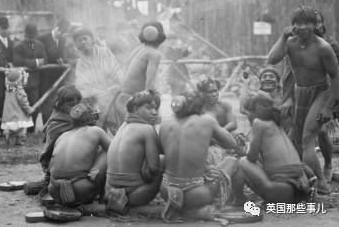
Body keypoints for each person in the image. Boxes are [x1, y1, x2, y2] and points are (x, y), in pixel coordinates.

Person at [267, 6, 339, 193]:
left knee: (308, 138)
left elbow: (336, 77)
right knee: (297, 139)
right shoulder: (290, 43)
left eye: (307, 23)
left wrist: (329, 107)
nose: (302, 27)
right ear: (292, 26)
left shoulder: (324, 48)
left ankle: (322, 180)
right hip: (300, 92)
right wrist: (282, 37)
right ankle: (307, 178)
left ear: (315, 25)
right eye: (298, 23)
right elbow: (272, 59)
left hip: (321, 93)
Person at [159, 91, 244, 222]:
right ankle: (237, 201)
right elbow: (231, 144)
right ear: (200, 106)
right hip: (196, 194)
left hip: (166, 191)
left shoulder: (166, 122)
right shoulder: (207, 120)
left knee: (203, 169)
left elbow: (169, 152)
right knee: (233, 161)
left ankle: (182, 207)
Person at [237, 92, 316, 203]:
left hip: (281, 192)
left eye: (247, 113)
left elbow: (251, 158)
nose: (247, 116)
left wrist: (244, 149)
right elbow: (267, 160)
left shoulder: (258, 123)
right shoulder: (277, 123)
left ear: (254, 111)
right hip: (298, 191)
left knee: (241, 162)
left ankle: (238, 199)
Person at [105, 90, 162, 214]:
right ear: (135, 109)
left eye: (155, 108)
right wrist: (146, 172)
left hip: (109, 193)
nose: (154, 112)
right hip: (133, 196)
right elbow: (153, 169)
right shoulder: (147, 129)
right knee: (162, 160)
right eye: (148, 108)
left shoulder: (122, 126)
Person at [104, 21, 166, 134]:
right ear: (160, 36)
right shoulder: (154, 54)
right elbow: (150, 84)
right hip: (133, 103)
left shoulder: (139, 50)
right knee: (145, 134)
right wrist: (152, 106)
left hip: (123, 99)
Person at [48, 102, 111, 206]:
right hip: (80, 189)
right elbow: (115, 150)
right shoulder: (96, 131)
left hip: (54, 191)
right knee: (107, 152)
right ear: (93, 117)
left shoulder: (62, 136)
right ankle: (104, 198)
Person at [68, 27, 123, 130]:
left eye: (85, 38)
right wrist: (97, 94)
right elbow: (82, 85)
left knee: (118, 122)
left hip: (114, 92)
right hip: (96, 99)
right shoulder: (80, 63)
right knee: (98, 123)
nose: (83, 42)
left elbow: (116, 70)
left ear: (92, 39)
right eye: (79, 40)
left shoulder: (105, 52)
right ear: (76, 45)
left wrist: (117, 86)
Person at [13, 23, 47, 134]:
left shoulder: (40, 45)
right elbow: (17, 61)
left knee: (35, 105)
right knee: (21, 105)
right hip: (22, 81)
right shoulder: (18, 46)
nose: (31, 39)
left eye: (33, 36)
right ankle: (21, 130)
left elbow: (45, 59)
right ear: (25, 35)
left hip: (36, 81)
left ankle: (31, 129)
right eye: (29, 37)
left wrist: (33, 62)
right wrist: (36, 62)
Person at [38, 17, 70, 125]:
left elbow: (64, 55)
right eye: (61, 32)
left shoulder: (62, 40)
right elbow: (41, 56)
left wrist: (63, 59)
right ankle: (46, 125)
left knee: (58, 100)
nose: (61, 35)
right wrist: (54, 59)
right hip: (46, 76)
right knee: (46, 101)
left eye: (64, 33)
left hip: (59, 76)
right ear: (56, 28)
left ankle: (57, 123)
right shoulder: (42, 38)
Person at [1, 69, 33, 147]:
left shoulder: (9, 89)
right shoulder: (20, 91)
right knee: (21, 129)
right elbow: (23, 103)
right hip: (18, 116)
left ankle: (8, 139)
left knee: (9, 129)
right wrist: (29, 110)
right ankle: (20, 141)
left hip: (8, 116)